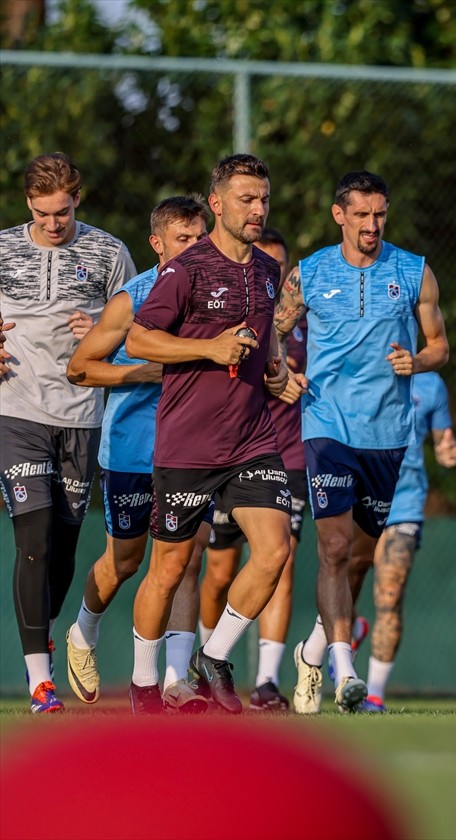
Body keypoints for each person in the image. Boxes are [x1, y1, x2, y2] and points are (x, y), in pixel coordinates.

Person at [274, 170, 449, 714]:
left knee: (359, 558)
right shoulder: (309, 272)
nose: (372, 225)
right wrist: (279, 374)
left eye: (380, 214)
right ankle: (345, 674)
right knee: (332, 548)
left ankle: (312, 649)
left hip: (389, 434)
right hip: (326, 426)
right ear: (339, 215)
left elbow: (441, 346)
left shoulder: (414, 272)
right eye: (363, 214)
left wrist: (417, 360)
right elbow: (271, 332)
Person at [125, 153, 292, 715]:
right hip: (188, 445)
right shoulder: (186, 269)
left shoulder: (268, 270)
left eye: (264, 198)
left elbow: (265, 336)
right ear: (217, 204)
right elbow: (142, 341)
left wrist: (275, 366)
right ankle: (145, 689)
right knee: (169, 569)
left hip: (252, 440)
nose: (258, 209)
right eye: (246, 199)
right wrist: (208, 348)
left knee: (274, 551)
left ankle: (214, 656)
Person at [62, 195, 213, 713]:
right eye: (182, 240)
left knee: (184, 562)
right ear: (157, 244)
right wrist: (139, 372)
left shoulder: (218, 294)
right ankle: (83, 631)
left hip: (193, 453)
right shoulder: (134, 298)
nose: (194, 249)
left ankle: (172, 681)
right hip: (131, 452)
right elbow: (80, 368)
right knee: (125, 562)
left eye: (201, 238)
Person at [0, 152, 137, 713]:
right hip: (16, 410)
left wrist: (105, 328)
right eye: (41, 213)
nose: (52, 224)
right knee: (31, 542)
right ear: (28, 204)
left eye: (62, 212)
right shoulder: (3, 247)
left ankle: (48, 630)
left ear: (77, 199)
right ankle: (40, 681)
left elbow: (140, 328)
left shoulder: (109, 252)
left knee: (61, 549)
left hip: (82, 417)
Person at [199, 227, 308, 712]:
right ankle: (204, 660)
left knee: (278, 561)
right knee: (219, 571)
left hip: (289, 457)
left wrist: (298, 378)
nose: (270, 272)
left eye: (278, 267)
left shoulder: (302, 320)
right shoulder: (226, 311)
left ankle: (266, 681)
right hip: (226, 454)